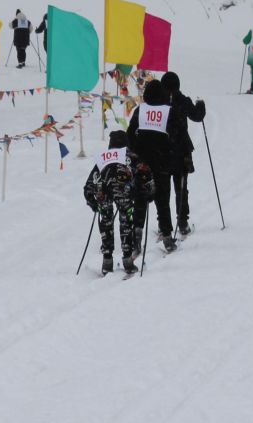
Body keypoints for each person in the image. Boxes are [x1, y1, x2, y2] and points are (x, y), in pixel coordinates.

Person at [84, 130, 155, 277]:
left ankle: (107, 260)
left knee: (106, 222)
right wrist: (149, 190)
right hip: (123, 190)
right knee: (125, 221)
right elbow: (145, 172)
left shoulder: (103, 158)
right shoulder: (129, 156)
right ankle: (127, 259)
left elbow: (90, 183)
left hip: (102, 190)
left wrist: (91, 200)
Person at [127, 78, 177, 254]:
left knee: (140, 200)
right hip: (161, 162)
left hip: (142, 163)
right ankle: (168, 238)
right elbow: (175, 136)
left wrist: (134, 155)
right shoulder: (168, 111)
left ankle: (136, 239)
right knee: (162, 201)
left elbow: (130, 135)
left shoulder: (140, 110)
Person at [159, 72, 207, 237]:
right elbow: (197, 116)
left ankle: (163, 224)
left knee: (163, 190)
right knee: (181, 187)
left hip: (162, 150)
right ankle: (182, 221)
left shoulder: (158, 102)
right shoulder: (183, 100)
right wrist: (200, 104)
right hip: (181, 150)